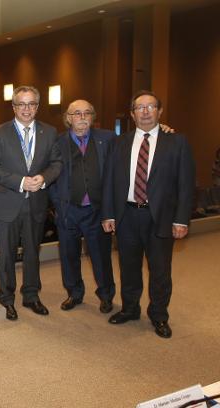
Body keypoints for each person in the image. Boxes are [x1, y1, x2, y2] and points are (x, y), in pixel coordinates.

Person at [101, 90, 195, 339]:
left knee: (160, 270)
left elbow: (186, 184)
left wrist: (181, 219)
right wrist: (108, 214)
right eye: (139, 108)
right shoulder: (119, 143)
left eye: (150, 107)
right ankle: (130, 309)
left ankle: (159, 315)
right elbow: (110, 181)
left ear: (160, 111)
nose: (145, 111)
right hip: (127, 216)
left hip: (161, 217)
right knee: (128, 267)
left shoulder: (177, 142)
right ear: (132, 114)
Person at [0, 85, 62, 321]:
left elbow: (56, 163)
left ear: (37, 106)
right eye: (21, 104)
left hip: (36, 204)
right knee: (6, 255)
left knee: (32, 254)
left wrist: (44, 178)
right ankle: (7, 299)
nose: (26, 109)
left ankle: (31, 295)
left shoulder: (49, 132)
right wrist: (20, 182)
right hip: (7, 204)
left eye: (31, 104)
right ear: (13, 106)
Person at [48, 99, 116, 314]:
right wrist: (57, 203)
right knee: (69, 256)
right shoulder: (56, 143)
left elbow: (132, 146)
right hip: (68, 211)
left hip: (97, 211)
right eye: (76, 113)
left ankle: (106, 295)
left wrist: (162, 129)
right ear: (68, 118)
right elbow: (47, 175)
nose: (82, 117)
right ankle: (74, 293)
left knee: (101, 256)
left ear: (93, 117)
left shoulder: (108, 139)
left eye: (87, 113)